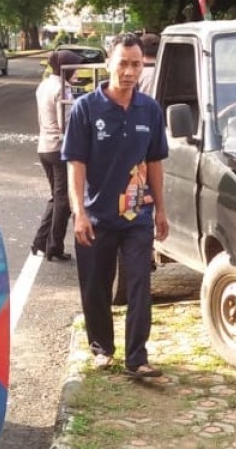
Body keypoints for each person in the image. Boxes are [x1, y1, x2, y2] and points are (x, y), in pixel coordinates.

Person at [62, 33, 169, 378]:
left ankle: (137, 357)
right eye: (123, 63)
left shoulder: (149, 110)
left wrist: (162, 211)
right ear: (109, 63)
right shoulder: (86, 109)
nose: (129, 71)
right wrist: (79, 212)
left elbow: (155, 163)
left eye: (136, 64)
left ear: (143, 66)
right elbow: (75, 164)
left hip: (137, 213)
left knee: (140, 283)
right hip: (96, 216)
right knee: (96, 284)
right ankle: (101, 347)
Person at [32, 48, 83, 261]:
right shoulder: (63, 89)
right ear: (66, 69)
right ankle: (55, 246)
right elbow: (67, 123)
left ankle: (40, 241)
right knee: (64, 200)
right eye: (76, 69)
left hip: (44, 146)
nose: (78, 73)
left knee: (56, 197)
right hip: (59, 149)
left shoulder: (44, 85)